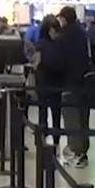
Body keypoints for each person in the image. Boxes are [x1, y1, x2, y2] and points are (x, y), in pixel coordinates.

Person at [50, 6, 91, 167]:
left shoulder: (63, 36)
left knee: (72, 118)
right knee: (83, 118)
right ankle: (83, 151)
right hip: (84, 82)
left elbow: (59, 61)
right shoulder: (83, 33)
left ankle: (76, 152)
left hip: (69, 82)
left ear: (64, 19)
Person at [34, 15, 63, 149]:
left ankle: (44, 139)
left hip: (46, 79)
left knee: (45, 110)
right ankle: (53, 139)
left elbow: (37, 62)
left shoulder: (41, 44)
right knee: (54, 110)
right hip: (54, 80)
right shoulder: (60, 43)